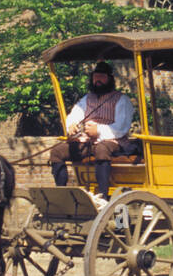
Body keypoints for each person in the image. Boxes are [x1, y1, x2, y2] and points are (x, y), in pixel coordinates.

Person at [48, 61, 138, 202]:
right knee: (56, 151)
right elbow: (75, 115)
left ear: (109, 79)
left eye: (102, 77)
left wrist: (99, 131)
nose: (98, 80)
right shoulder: (86, 99)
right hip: (87, 142)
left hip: (113, 141)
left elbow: (122, 127)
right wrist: (71, 125)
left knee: (101, 149)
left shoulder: (122, 100)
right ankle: (62, 194)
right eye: (96, 77)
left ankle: (103, 196)